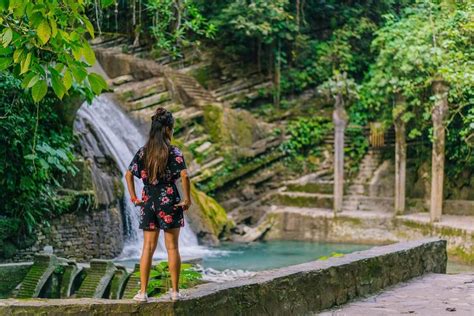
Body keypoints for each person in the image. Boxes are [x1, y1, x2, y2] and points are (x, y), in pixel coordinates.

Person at [125, 107, 191, 302]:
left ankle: (142, 292)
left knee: (148, 247)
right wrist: (187, 199)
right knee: (172, 248)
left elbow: (128, 174)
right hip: (169, 200)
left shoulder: (143, 152)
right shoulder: (174, 152)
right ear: (168, 129)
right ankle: (175, 292)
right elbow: (184, 175)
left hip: (148, 202)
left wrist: (134, 198)